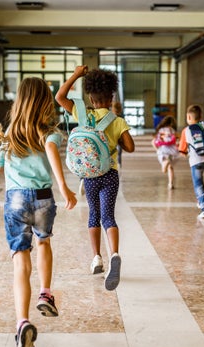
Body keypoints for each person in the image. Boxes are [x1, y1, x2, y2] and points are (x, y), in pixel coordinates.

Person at [0, 77, 77, 347]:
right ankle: (46, 294)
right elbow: (51, 152)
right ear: (45, 101)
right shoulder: (50, 131)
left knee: (20, 259)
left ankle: (22, 322)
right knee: (44, 241)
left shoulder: (11, 132)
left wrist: (10, 162)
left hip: (15, 198)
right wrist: (63, 187)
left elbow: (0, 167)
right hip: (42, 196)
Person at [56, 65, 135, 290]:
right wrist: (115, 137)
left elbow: (59, 96)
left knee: (93, 214)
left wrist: (77, 75)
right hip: (110, 173)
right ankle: (115, 254)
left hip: (89, 175)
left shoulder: (82, 113)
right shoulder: (116, 120)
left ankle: (96, 258)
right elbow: (130, 147)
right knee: (108, 216)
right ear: (111, 97)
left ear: (90, 97)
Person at [178, 104, 204, 218]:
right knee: (202, 180)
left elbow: (182, 150)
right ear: (200, 116)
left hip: (196, 161)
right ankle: (202, 201)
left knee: (198, 184)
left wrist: (184, 153)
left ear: (188, 117)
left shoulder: (186, 130)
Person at [152, 115, 178, 189]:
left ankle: (166, 162)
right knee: (170, 167)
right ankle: (170, 184)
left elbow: (156, 141)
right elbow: (174, 140)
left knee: (164, 170)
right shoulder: (172, 130)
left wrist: (157, 149)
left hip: (163, 150)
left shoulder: (161, 130)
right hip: (172, 150)